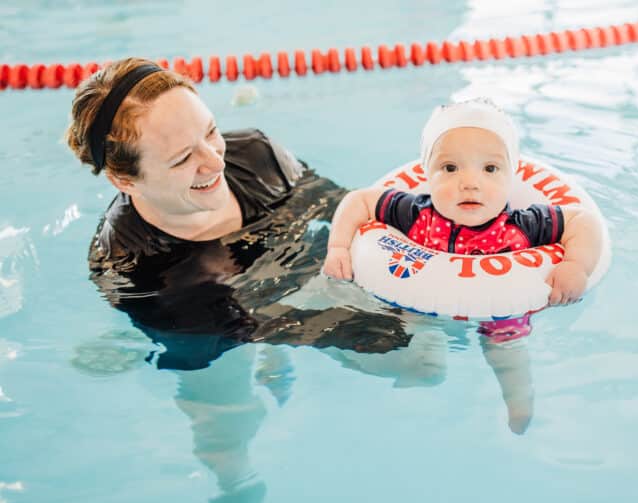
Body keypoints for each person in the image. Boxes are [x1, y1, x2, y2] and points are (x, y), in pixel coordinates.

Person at [66, 57, 412, 369]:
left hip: (297, 273)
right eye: (183, 158)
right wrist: (358, 328)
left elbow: (345, 210)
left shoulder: (258, 157)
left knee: (423, 360)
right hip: (220, 342)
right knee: (226, 417)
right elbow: (235, 331)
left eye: (211, 132)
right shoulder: (132, 267)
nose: (216, 161)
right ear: (125, 180)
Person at [322, 97, 603, 307]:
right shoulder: (416, 214)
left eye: (490, 169)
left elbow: (582, 220)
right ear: (427, 174)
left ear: (511, 176)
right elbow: (358, 200)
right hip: (419, 302)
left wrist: (576, 265)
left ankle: (516, 388)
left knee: (506, 353)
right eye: (450, 168)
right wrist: (338, 248)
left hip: (502, 309)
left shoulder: (523, 226)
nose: (470, 183)